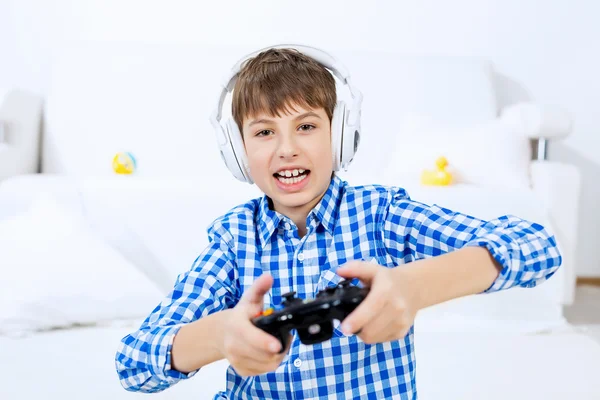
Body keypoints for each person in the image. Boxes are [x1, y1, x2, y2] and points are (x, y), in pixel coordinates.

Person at [115, 45, 562, 399]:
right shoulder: (234, 240)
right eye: (264, 131)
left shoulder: (382, 214)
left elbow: (538, 245)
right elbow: (133, 364)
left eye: (306, 126)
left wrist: (415, 286)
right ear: (238, 150)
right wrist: (218, 335)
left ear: (341, 134)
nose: (287, 149)